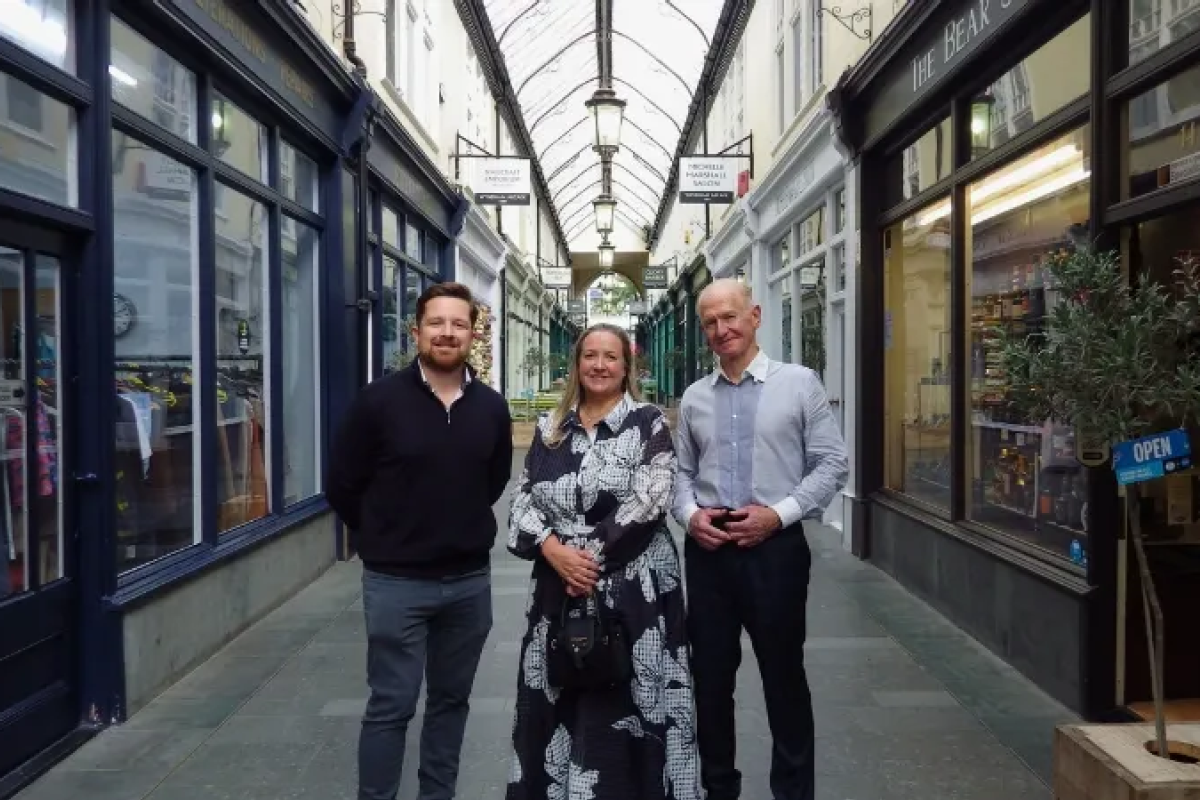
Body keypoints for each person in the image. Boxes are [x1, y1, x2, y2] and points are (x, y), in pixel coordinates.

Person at [325, 281, 514, 800]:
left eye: (458, 323)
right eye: (436, 323)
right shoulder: (378, 402)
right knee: (392, 704)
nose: (447, 333)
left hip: (468, 585)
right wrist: (381, 536)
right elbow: (342, 482)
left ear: (473, 334)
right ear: (416, 331)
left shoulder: (491, 409)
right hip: (396, 585)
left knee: (452, 702)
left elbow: (493, 480)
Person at [505, 323, 702, 800]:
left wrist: (584, 562)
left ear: (626, 367)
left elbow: (651, 497)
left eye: (610, 357)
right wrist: (554, 551)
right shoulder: (552, 427)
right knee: (558, 692)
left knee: (636, 702)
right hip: (557, 587)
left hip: (637, 593)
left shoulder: (649, 422)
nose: (599, 365)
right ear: (576, 364)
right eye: (589, 355)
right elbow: (522, 499)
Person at [672, 279, 848, 800]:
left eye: (729, 317)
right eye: (710, 322)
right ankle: (718, 788)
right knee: (710, 679)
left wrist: (777, 515)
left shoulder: (799, 384)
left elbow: (832, 463)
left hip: (776, 550)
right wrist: (688, 516)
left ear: (754, 316)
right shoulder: (695, 397)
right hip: (709, 551)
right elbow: (680, 473)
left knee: (783, 676)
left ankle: (793, 792)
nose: (721, 330)